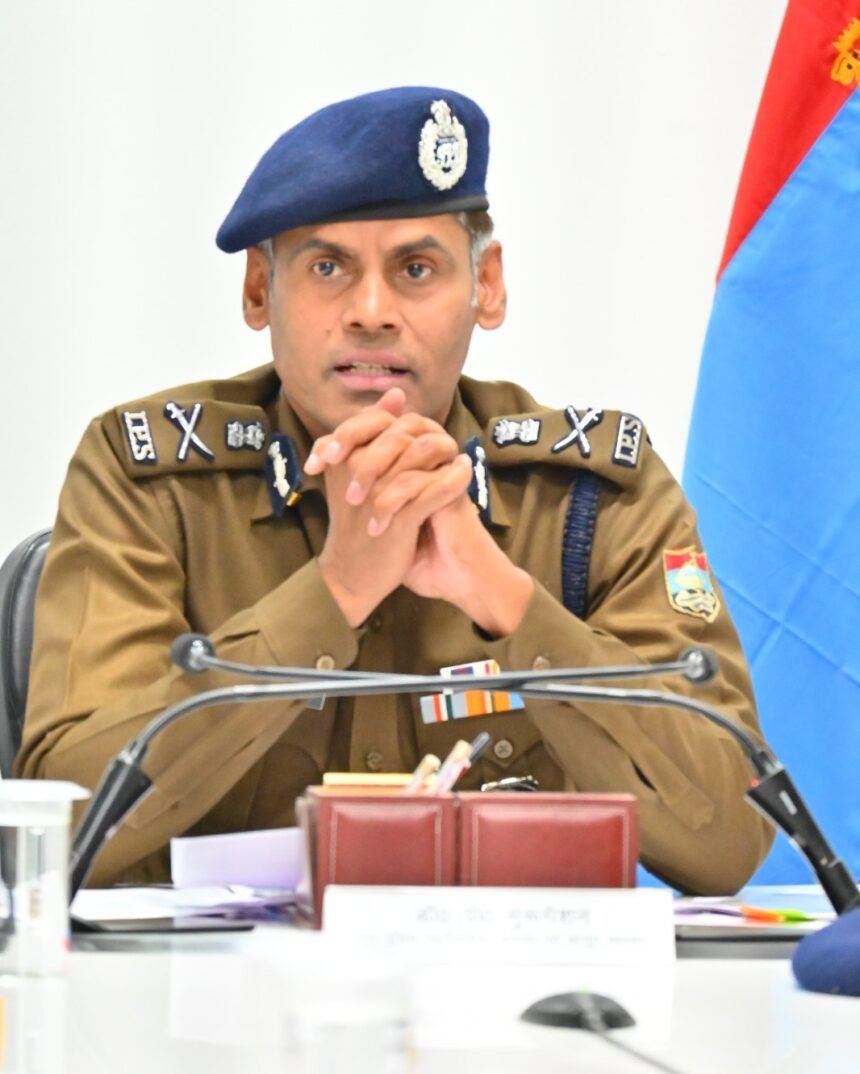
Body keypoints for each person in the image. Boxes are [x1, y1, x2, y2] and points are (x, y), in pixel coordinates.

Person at [16, 86, 773, 893]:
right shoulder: (150, 483)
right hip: (207, 977)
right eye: (327, 266)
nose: (372, 312)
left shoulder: (592, 498)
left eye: (416, 269)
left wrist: (508, 602)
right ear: (259, 291)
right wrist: (334, 592)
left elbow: (729, 838)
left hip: (507, 974)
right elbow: (60, 826)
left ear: (486, 285)